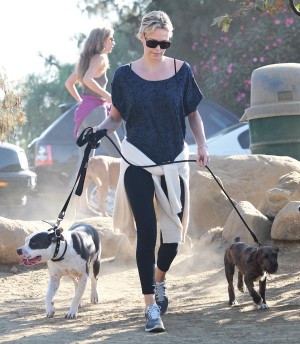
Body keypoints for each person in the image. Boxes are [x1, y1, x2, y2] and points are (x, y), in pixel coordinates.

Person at [93, 11, 209, 332]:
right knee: (147, 232)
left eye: (165, 42)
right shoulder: (124, 75)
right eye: (154, 42)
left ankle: (160, 280)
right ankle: (149, 308)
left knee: (172, 239)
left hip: (173, 159)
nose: (159, 48)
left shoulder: (182, 71)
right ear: (142, 38)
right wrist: (99, 130)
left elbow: (193, 113)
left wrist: (202, 144)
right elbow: (115, 117)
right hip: (137, 160)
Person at [65, 26, 121, 157]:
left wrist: (80, 101)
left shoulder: (85, 61)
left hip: (84, 114)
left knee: (85, 162)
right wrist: (108, 96)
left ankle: (81, 179)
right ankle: (127, 178)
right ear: (102, 41)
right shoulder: (100, 57)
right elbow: (87, 79)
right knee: (118, 154)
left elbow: (69, 83)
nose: (113, 42)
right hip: (96, 112)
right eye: (110, 39)